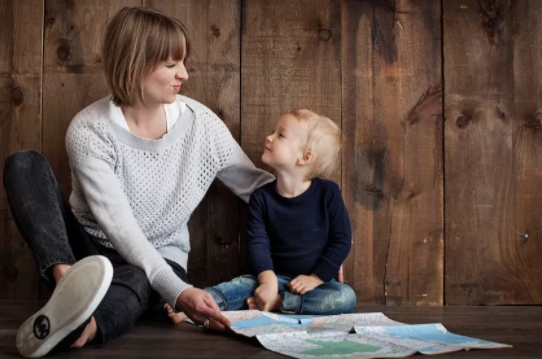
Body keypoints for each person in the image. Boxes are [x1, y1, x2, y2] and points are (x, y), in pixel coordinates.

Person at [2, 6, 274, 357]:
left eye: (183, 62)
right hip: (86, 252)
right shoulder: (89, 130)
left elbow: (256, 187)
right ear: (136, 63)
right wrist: (179, 293)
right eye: (172, 64)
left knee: (138, 277)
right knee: (24, 163)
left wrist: (319, 227)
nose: (185, 75)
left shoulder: (201, 125)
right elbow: (121, 227)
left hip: (158, 259)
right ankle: (68, 286)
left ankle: (83, 327)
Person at [166, 109, 355, 325]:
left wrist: (316, 278)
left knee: (345, 297)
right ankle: (193, 308)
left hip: (315, 285)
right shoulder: (262, 197)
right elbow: (258, 243)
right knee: (239, 286)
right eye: (273, 132)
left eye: (280, 135)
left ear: (305, 157)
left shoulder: (328, 193)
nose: (269, 137)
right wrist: (267, 280)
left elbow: (341, 240)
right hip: (272, 277)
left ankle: (279, 303)